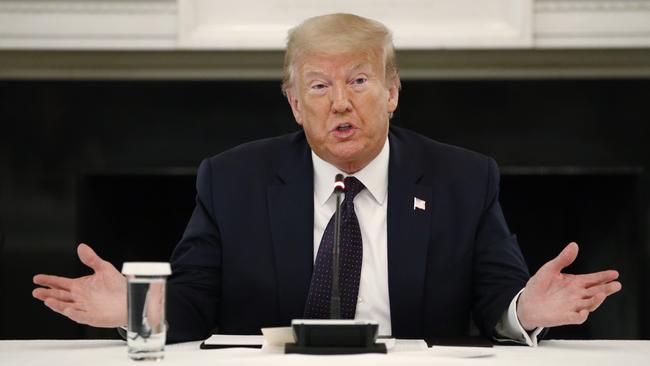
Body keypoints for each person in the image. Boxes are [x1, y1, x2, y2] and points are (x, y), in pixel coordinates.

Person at [32, 13, 621, 345]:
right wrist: (132, 309)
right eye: (319, 86)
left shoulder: (463, 178)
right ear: (293, 103)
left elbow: (497, 301)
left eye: (359, 82)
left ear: (391, 93)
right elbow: (192, 302)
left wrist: (529, 309)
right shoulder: (232, 179)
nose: (341, 103)